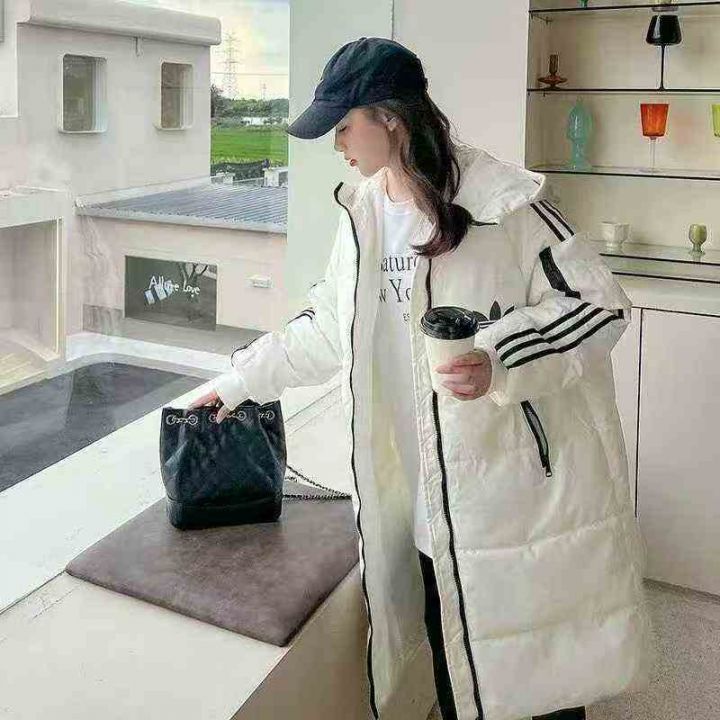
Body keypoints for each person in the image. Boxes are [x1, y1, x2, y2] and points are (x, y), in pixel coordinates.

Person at [189, 37, 655, 720]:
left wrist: (499, 356)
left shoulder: (503, 200)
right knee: (457, 670)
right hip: (421, 497)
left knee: (542, 675)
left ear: (389, 118)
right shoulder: (362, 215)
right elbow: (331, 331)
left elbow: (597, 303)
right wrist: (238, 383)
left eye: (343, 126)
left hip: (512, 492)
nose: (336, 144)